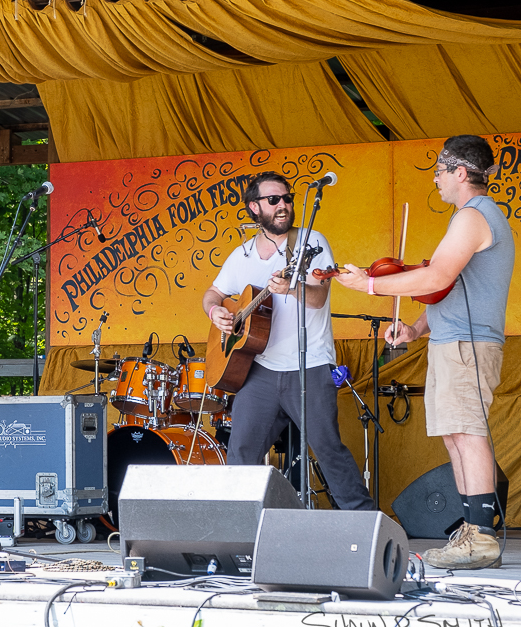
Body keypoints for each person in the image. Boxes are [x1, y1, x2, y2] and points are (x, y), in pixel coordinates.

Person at [335, 135, 512, 569]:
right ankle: (472, 531)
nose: (435, 179)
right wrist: (414, 328)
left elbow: (436, 277)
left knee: (467, 432)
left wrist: (370, 285)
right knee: (456, 433)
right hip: (452, 341)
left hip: (467, 345)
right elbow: (447, 291)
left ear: (460, 172)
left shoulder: (473, 217)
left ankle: (482, 535)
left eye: (438, 170)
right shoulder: (468, 219)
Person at [201, 171, 374, 511]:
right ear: (255, 208)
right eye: (274, 200)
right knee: (241, 452)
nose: (284, 206)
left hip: (308, 367)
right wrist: (214, 312)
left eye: (288, 199)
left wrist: (292, 287)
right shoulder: (243, 255)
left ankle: (365, 524)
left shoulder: (311, 241)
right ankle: (239, 531)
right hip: (260, 370)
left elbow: (318, 299)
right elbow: (213, 292)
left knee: (327, 449)